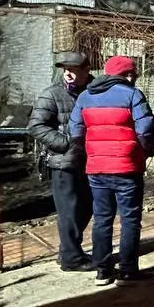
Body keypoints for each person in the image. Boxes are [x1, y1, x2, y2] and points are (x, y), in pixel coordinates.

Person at [69, 55, 154, 284]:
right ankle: (128, 271)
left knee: (102, 218)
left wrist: (89, 154)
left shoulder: (85, 96)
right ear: (128, 74)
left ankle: (103, 271)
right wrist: (146, 151)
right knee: (129, 219)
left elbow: (76, 132)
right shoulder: (132, 94)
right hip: (127, 168)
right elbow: (146, 129)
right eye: (133, 74)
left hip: (97, 169)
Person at [27, 52, 94, 271]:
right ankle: (71, 259)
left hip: (90, 161)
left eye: (74, 69)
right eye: (65, 68)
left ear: (86, 70)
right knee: (70, 212)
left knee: (86, 209)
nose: (68, 73)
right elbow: (36, 126)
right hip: (63, 163)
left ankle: (68, 251)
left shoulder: (95, 91)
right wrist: (67, 144)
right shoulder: (51, 94)